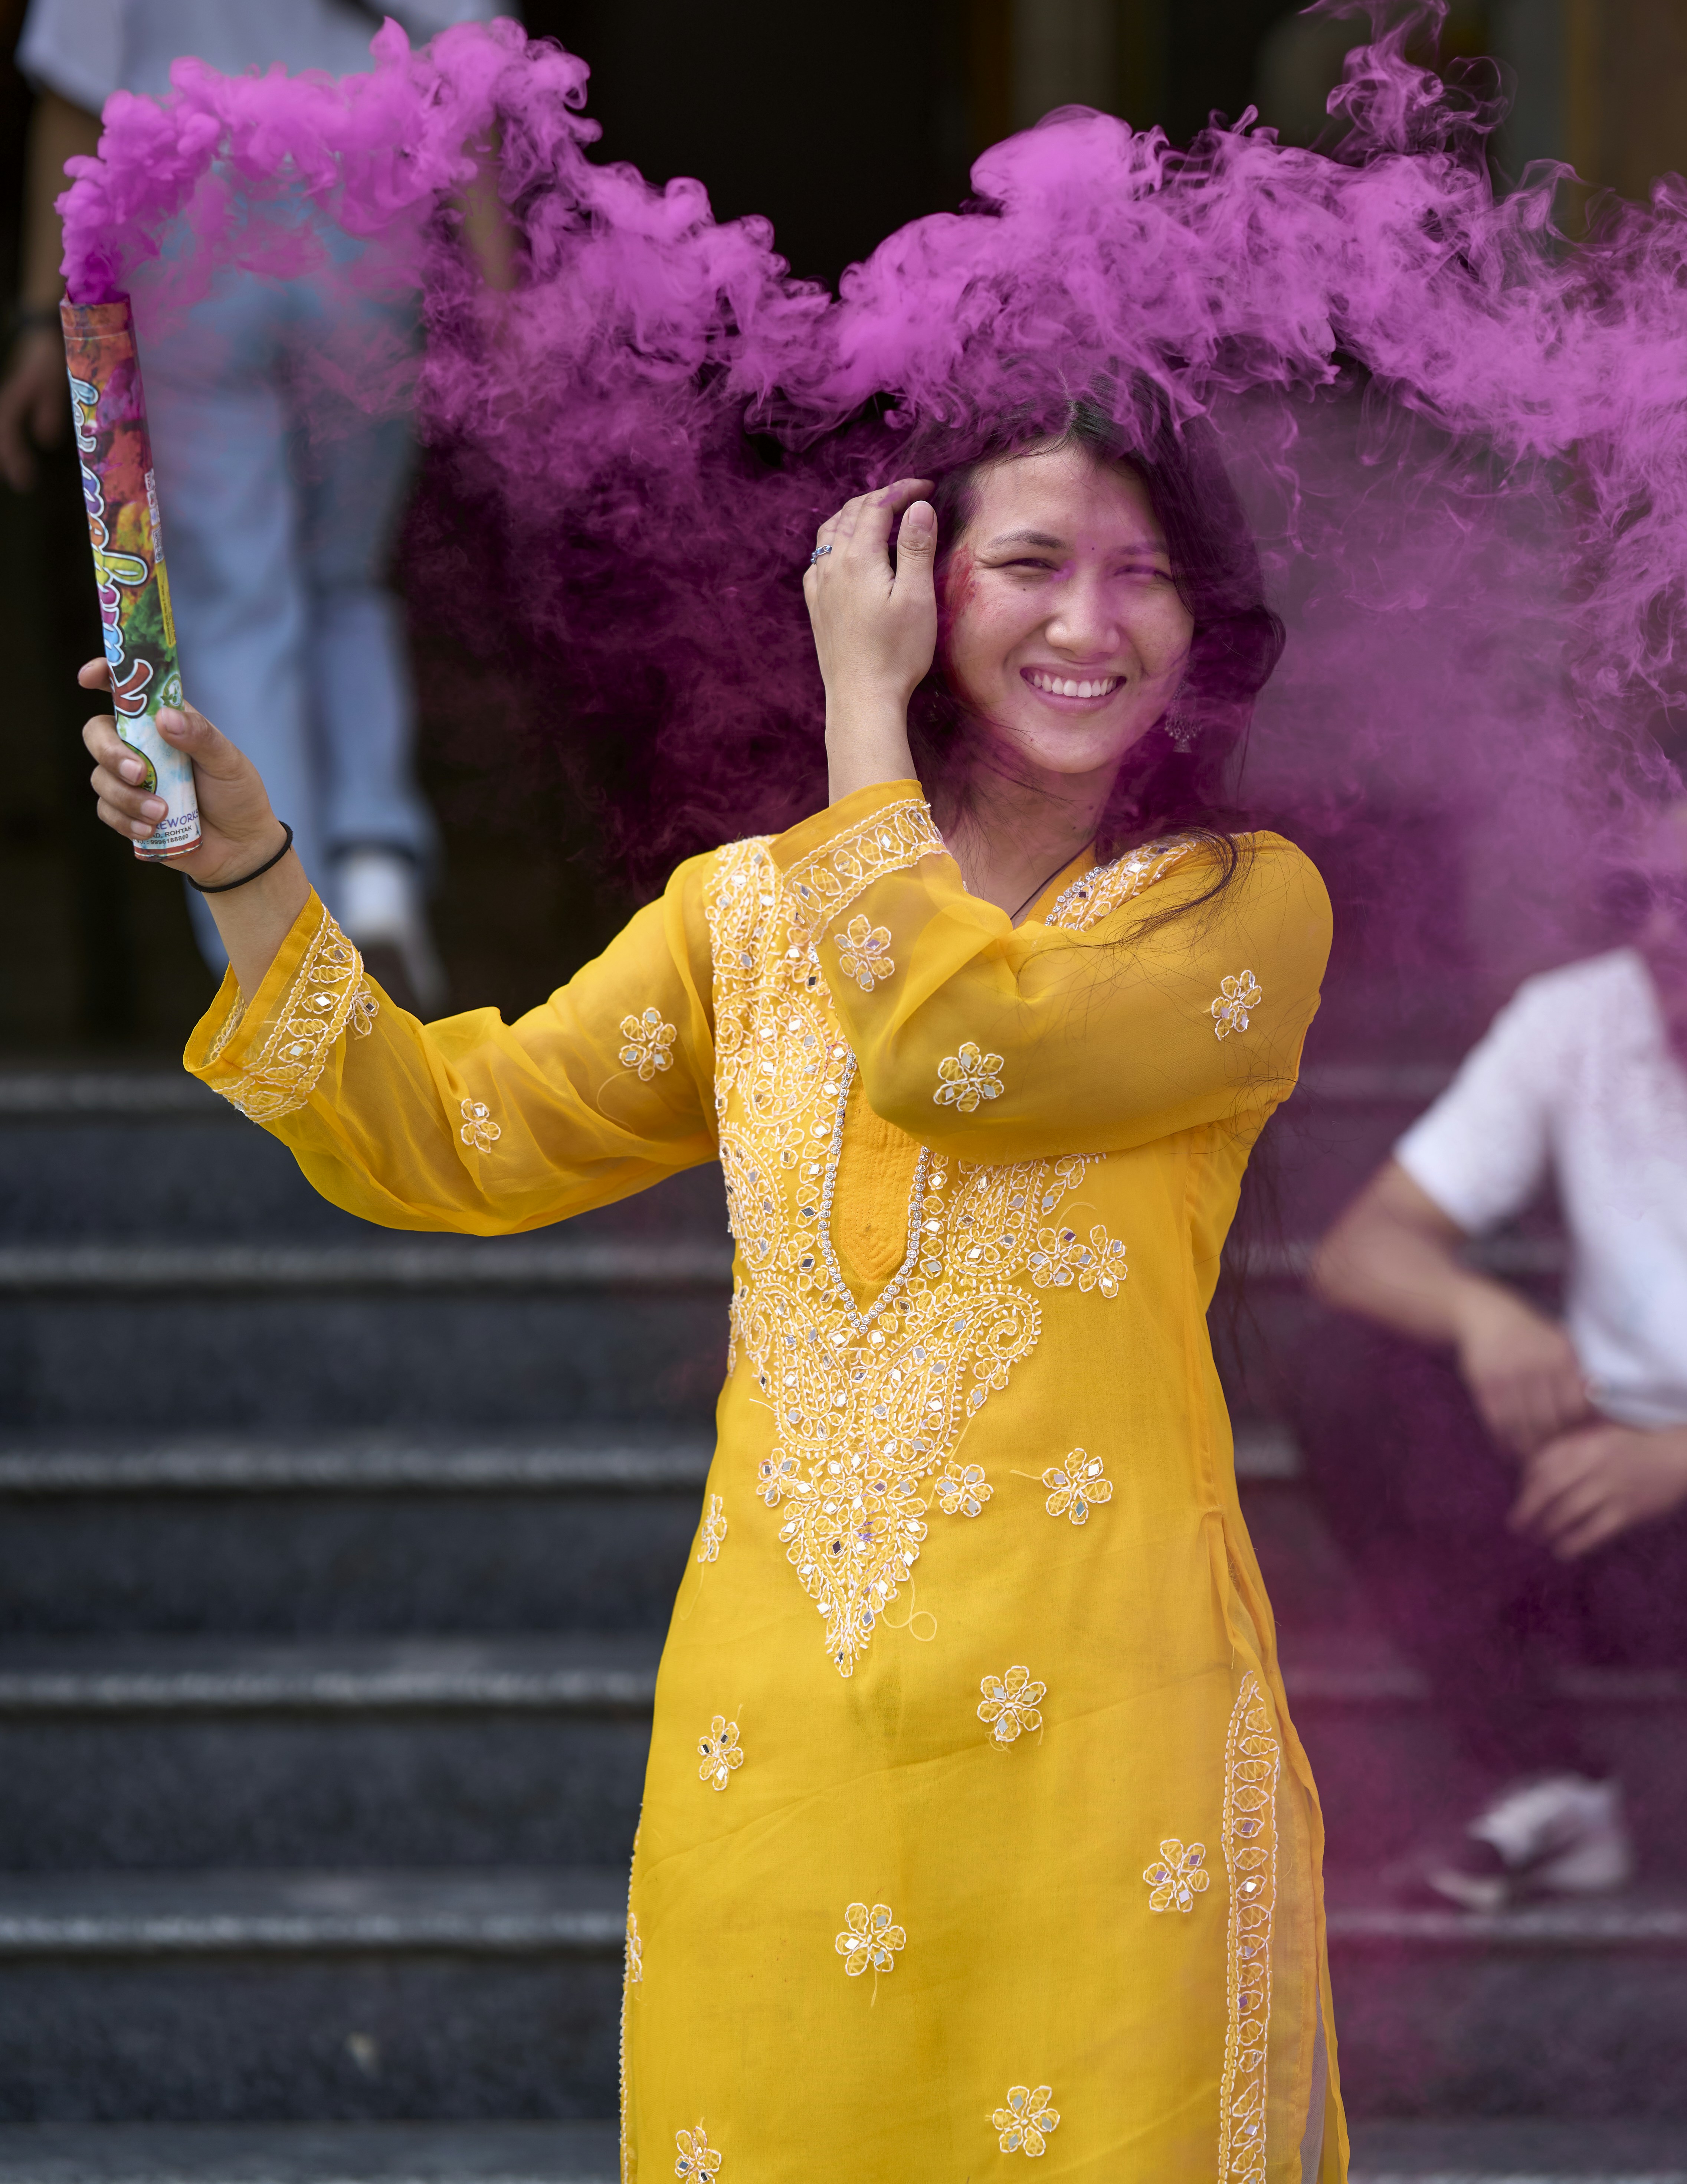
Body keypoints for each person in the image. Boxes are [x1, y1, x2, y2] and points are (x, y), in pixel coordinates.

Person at [80, 407, 1343, 2181]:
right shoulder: (743, 924)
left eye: (1145, 576)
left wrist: (856, 715)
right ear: (906, 581)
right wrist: (249, 871)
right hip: (783, 1746)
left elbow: (948, 1049)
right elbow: (450, 1141)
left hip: (1106, 1753)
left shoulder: (1232, 912)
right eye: (1032, 565)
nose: (1090, 624)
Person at [1292, 732, 1687, 2170]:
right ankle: (1547, 1781)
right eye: (1633, 895)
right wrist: (1485, 1314)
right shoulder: (1578, 1020)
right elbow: (1366, 1250)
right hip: (1599, 1507)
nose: (1662, 932)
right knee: (1349, 1375)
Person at [1, 0, 516, 1007]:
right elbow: (470, 108)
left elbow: (69, 111)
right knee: (346, 582)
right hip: (370, 267)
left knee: (236, 595)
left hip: (189, 275)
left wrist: (42, 319)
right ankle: (381, 869)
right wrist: (498, 303)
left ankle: (275, 921)